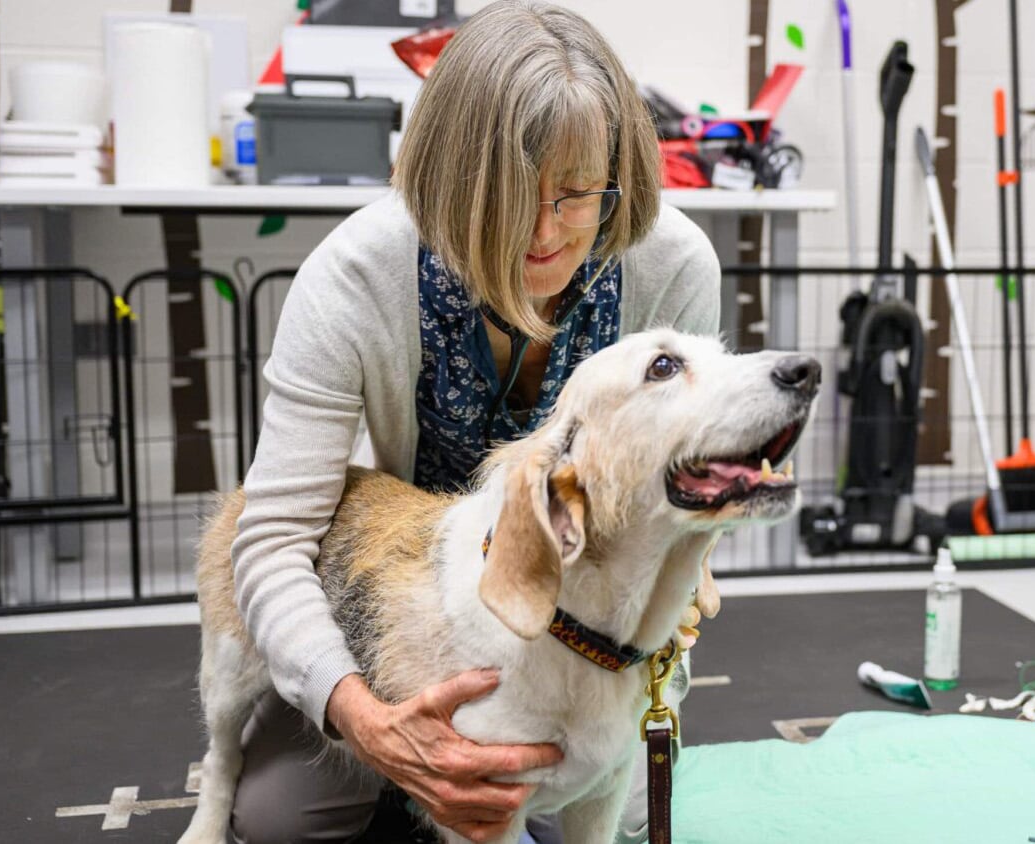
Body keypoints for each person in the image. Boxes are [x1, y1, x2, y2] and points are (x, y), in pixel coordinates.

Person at [226, 2, 720, 842]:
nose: (544, 231)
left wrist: (689, 571)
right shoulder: (352, 278)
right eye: (507, 198)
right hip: (401, 603)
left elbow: (687, 490)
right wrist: (366, 719)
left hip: (585, 619)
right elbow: (272, 540)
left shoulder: (671, 266)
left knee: (622, 806)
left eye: (576, 195)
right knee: (283, 823)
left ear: (618, 178)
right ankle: (417, 754)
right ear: (447, 177)